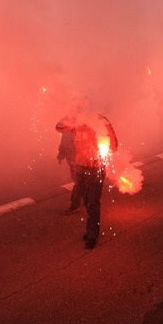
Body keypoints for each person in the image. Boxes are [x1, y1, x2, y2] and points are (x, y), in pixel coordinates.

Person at [58, 100, 118, 249]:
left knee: (93, 202)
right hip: (80, 167)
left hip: (95, 167)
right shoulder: (76, 123)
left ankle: (92, 235)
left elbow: (114, 145)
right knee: (86, 201)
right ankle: (90, 229)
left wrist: (102, 151)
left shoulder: (101, 121)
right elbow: (59, 127)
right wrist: (71, 117)